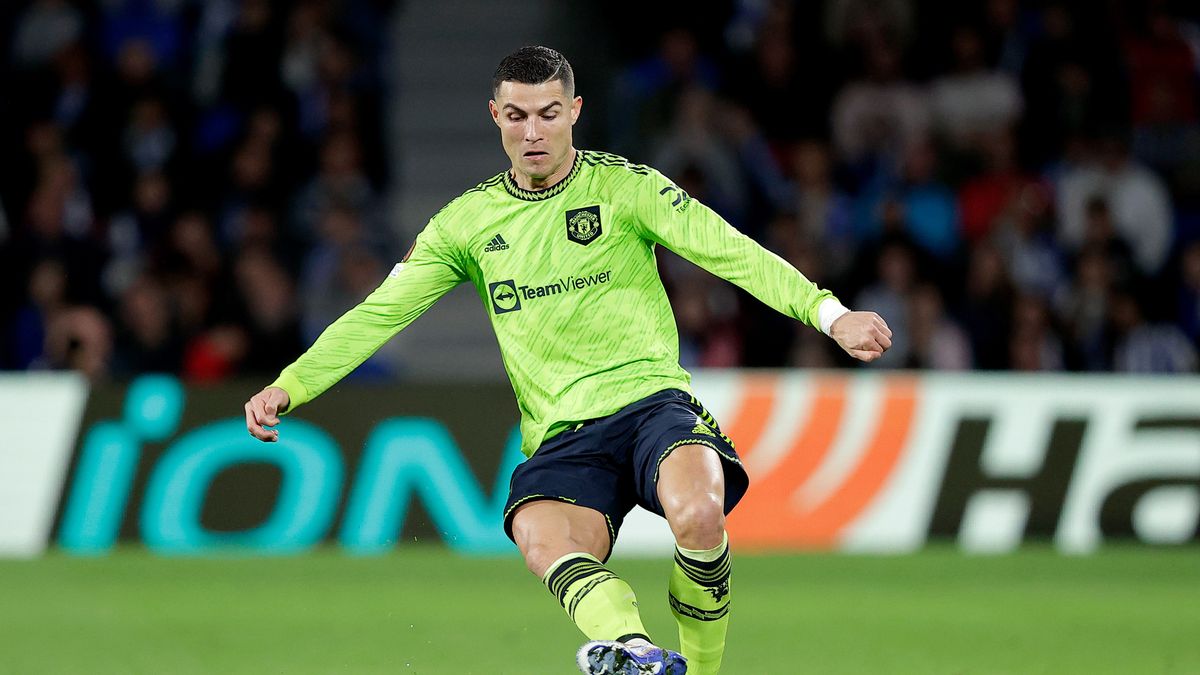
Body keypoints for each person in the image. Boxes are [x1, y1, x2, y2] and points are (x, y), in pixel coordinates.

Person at [243, 46, 891, 675]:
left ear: (575, 110)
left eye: (548, 113)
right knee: (540, 538)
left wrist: (831, 315)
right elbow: (379, 312)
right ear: (495, 116)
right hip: (561, 435)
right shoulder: (465, 223)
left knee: (699, 512)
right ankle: (635, 655)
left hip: (651, 405)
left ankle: (697, 670)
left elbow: (730, 250)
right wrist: (292, 384)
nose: (533, 132)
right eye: (518, 115)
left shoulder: (624, 187)